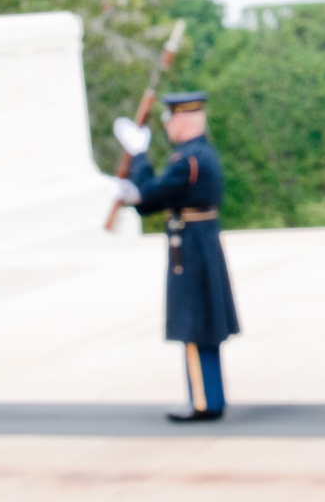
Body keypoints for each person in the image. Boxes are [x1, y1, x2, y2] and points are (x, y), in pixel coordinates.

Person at [112, 91, 240, 422]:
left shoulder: (187, 161)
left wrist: (138, 156)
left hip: (191, 246)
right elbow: (153, 199)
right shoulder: (198, 155)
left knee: (196, 324)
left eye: (170, 120)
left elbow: (151, 193)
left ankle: (204, 401)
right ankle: (209, 397)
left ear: (183, 120)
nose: (168, 126)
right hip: (199, 241)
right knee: (203, 326)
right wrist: (136, 194)